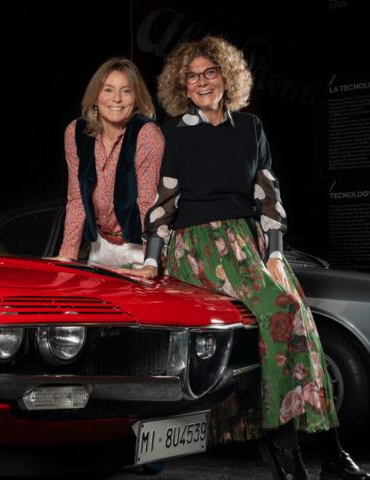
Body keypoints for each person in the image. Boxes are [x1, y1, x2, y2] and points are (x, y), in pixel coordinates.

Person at [125, 36, 369, 480]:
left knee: (301, 324)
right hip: (200, 246)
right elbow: (164, 203)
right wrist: (152, 259)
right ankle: (284, 451)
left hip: (250, 243)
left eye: (210, 72)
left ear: (227, 76)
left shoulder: (251, 127)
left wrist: (274, 253)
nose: (201, 82)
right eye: (192, 76)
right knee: (279, 317)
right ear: (182, 84)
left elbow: (269, 196)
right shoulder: (175, 132)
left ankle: (331, 452)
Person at [54, 57, 164, 268]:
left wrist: (151, 262)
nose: (117, 99)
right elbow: (76, 199)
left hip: (137, 248)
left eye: (126, 91)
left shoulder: (147, 134)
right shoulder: (75, 132)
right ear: (95, 96)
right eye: (108, 90)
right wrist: (67, 255)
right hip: (100, 246)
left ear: (136, 98)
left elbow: (148, 204)